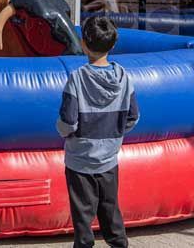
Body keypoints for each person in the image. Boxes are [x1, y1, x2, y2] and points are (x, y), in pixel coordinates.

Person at [56, 16, 139, 248]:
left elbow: (68, 122)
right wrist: (114, 136)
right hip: (109, 160)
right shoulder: (124, 78)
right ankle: (119, 243)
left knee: (83, 221)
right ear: (113, 45)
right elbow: (133, 117)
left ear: (83, 44)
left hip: (79, 161)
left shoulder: (77, 79)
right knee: (111, 212)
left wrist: (62, 133)